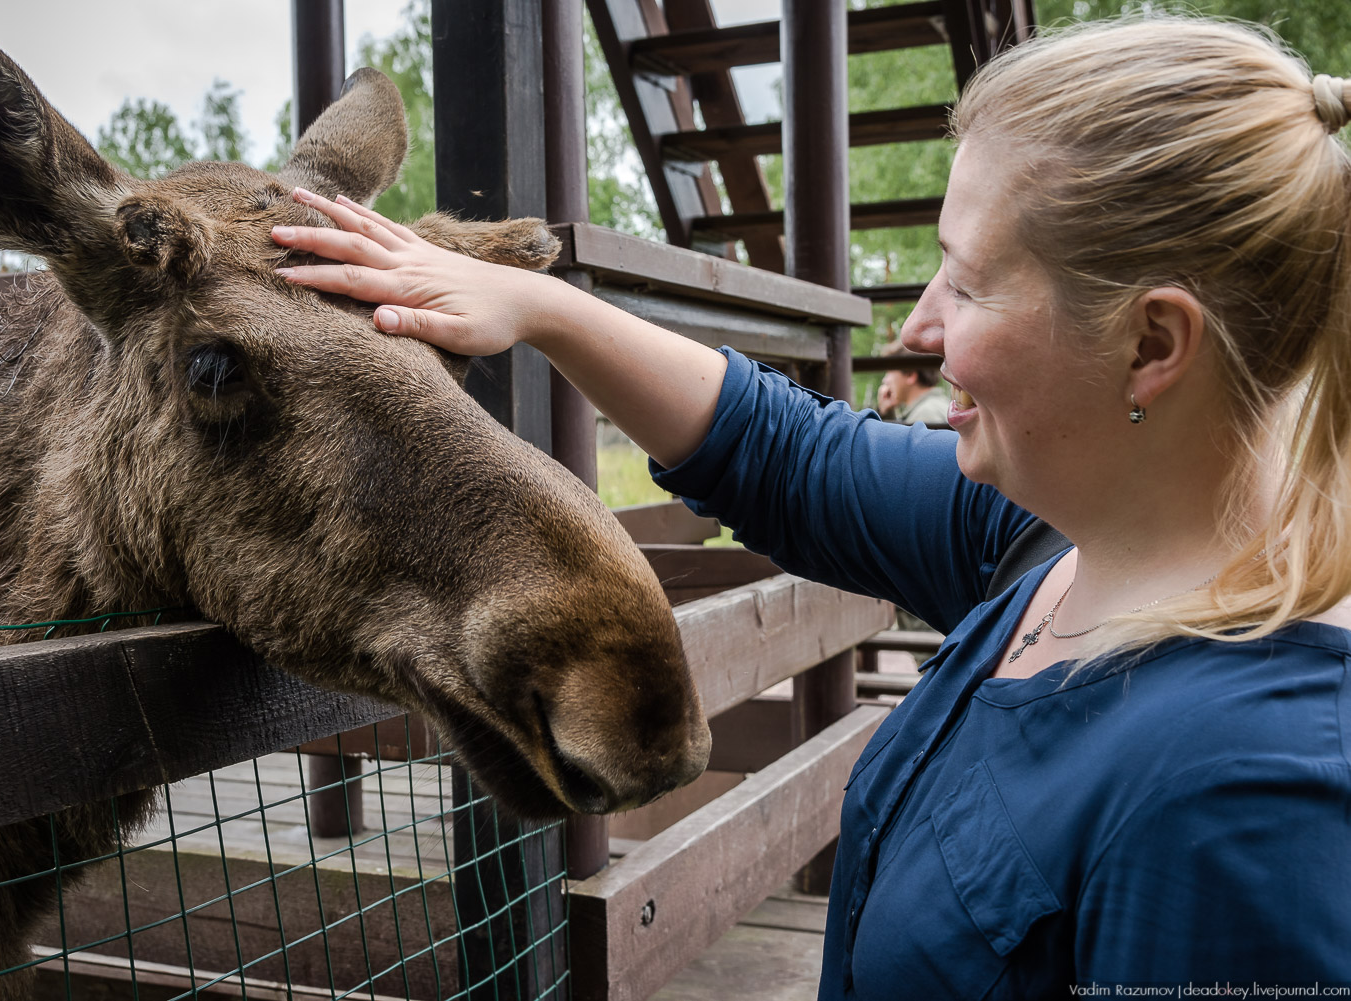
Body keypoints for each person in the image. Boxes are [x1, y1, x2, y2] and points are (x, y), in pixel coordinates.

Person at [270, 16, 1351, 996]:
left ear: (1151, 344)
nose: (919, 329)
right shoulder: (1059, 537)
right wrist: (542, 308)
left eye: (966, 284)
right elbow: (791, 455)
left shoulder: (1246, 806)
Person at [877, 344, 950, 425]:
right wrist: (887, 413)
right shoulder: (933, 406)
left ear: (910, 375)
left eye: (889, 372)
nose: (885, 380)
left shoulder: (924, 415)